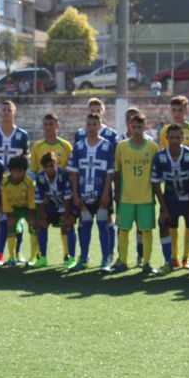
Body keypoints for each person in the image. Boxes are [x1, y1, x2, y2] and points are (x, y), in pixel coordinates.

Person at [158, 95, 189, 268]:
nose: (177, 113)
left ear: (187, 110)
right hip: (171, 184)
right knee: (171, 223)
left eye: (180, 110)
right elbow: (164, 156)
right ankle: (173, 257)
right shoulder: (164, 132)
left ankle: (187, 257)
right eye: (174, 110)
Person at [151, 124, 189, 275]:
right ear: (166, 138)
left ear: (182, 138)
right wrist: (164, 209)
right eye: (171, 137)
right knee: (164, 224)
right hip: (170, 199)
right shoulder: (160, 157)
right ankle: (168, 262)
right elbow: (156, 184)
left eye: (177, 137)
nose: (174, 140)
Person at [67, 113, 114, 272]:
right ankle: (84, 258)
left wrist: (106, 194)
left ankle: (105, 260)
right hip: (84, 196)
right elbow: (74, 173)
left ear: (100, 125)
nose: (92, 127)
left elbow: (109, 172)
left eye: (95, 124)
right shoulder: (79, 146)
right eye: (89, 124)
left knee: (103, 225)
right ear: (85, 125)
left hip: (101, 196)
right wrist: (75, 194)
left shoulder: (107, 146)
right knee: (85, 226)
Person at [113, 113, 159, 273]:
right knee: (123, 230)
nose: (137, 130)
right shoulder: (121, 146)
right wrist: (116, 193)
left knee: (146, 230)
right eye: (134, 126)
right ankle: (123, 262)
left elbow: (156, 173)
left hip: (145, 197)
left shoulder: (152, 147)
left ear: (145, 127)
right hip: (126, 197)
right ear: (129, 127)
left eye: (140, 127)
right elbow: (117, 172)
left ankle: (146, 263)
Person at [72, 98, 118, 259]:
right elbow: (75, 168)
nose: (94, 113)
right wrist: (75, 193)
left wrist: (109, 191)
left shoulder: (110, 137)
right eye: (92, 110)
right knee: (84, 222)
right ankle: (83, 256)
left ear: (102, 113)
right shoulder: (79, 137)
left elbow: (111, 168)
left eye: (98, 110)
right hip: (84, 189)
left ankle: (109, 254)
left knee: (105, 221)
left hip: (102, 189)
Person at [0, 100, 30, 261]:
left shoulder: (22, 135)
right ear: (0, 113)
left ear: (14, 113)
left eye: (9, 110)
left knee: (17, 217)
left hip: (16, 184)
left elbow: (25, 158)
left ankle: (17, 252)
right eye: (3, 109)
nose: (6, 112)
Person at [33, 152, 77, 269]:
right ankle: (42, 258)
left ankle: (70, 258)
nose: (50, 169)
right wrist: (43, 217)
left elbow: (68, 197)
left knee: (69, 225)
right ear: (43, 167)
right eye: (47, 166)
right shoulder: (40, 177)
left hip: (67, 207)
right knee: (42, 225)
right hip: (51, 207)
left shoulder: (63, 174)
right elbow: (39, 200)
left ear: (57, 164)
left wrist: (67, 216)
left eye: (52, 165)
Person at [0, 155, 37, 266]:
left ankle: (34, 257)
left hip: (28, 208)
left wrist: (32, 217)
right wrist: (10, 216)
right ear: (10, 171)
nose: (17, 175)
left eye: (20, 171)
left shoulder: (29, 182)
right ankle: (12, 257)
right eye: (14, 171)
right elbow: (5, 200)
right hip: (13, 209)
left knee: (34, 228)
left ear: (25, 171)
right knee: (10, 227)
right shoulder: (5, 181)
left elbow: (32, 200)